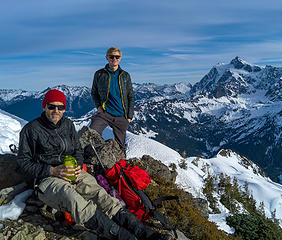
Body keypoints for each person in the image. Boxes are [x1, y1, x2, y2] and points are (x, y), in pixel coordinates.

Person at [16, 89, 170, 240]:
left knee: (102, 196)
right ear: (44, 107)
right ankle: (124, 236)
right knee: (75, 201)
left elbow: (77, 150)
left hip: (73, 172)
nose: (56, 110)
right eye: (51, 106)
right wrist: (52, 170)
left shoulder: (68, 125)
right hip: (47, 179)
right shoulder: (31, 130)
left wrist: (77, 165)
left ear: (64, 108)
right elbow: (23, 162)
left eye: (60, 107)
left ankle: (146, 234)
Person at [90, 46, 134, 154]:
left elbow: (130, 96)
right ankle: (97, 155)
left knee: (120, 146)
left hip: (121, 115)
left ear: (120, 58)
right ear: (107, 58)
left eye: (117, 57)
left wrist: (129, 116)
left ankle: (120, 165)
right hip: (105, 113)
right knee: (92, 132)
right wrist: (99, 108)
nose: (114, 59)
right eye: (111, 57)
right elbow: (94, 92)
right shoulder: (99, 74)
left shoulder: (125, 76)